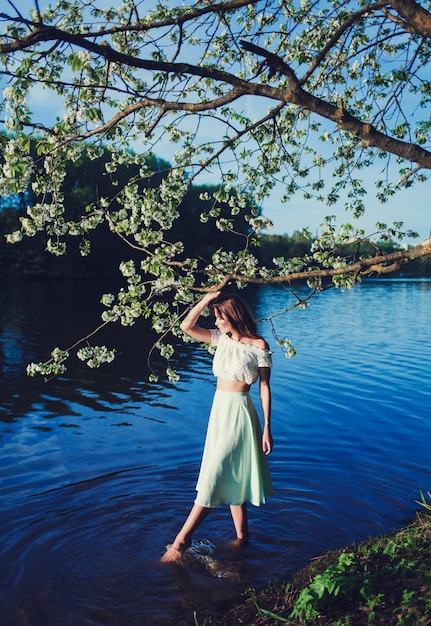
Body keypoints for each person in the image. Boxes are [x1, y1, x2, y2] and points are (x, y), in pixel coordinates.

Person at [161, 290, 274, 562]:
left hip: (240, 413)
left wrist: (268, 426)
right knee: (230, 472)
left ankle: (180, 542)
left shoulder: (258, 345)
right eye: (215, 318)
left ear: (233, 316)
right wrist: (205, 300)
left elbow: (264, 387)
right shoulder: (219, 339)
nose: (217, 323)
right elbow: (186, 327)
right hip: (219, 411)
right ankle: (242, 538)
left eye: (220, 318)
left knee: (214, 475)